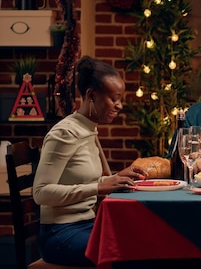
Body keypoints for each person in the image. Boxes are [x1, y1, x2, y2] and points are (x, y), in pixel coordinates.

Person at [33, 56, 149, 267]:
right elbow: (41, 193)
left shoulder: (88, 129)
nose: (119, 105)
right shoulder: (65, 133)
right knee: (134, 253)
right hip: (60, 233)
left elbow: (81, 180)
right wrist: (98, 186)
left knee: (150, 242)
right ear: (91, 95)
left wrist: (116, 178)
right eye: (114, 99)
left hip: (88, 225)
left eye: (120, 99)